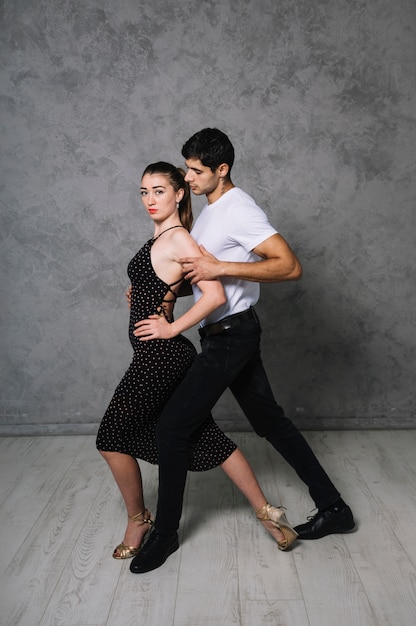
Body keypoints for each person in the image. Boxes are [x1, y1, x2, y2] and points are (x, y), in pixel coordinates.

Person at [130, 129, 355, 574]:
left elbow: (289, 266)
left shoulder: (240, 209)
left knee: (173, 427)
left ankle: (166, 535)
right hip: (225, 334)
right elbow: (204, 277)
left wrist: (219, 267)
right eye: (187, 169)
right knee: (273, 423)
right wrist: (167, 294)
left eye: (195, 171)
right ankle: (335, 509)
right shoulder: (211, 213)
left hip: (232, 337)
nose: (188, 177)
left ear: (222, 169)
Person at [96, 161, 298, 562]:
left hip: (161, 357)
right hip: (157, 356)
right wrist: (141, 290)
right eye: (143, 192)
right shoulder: (163, 238)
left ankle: (139, 519)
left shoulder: (179, 239)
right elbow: (166, 280)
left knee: (110, 437)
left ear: (178, 194)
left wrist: (172, 328)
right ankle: (267, 513)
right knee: (204, 436)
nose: (149, 199)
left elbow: (215, 296)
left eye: (158, 191)